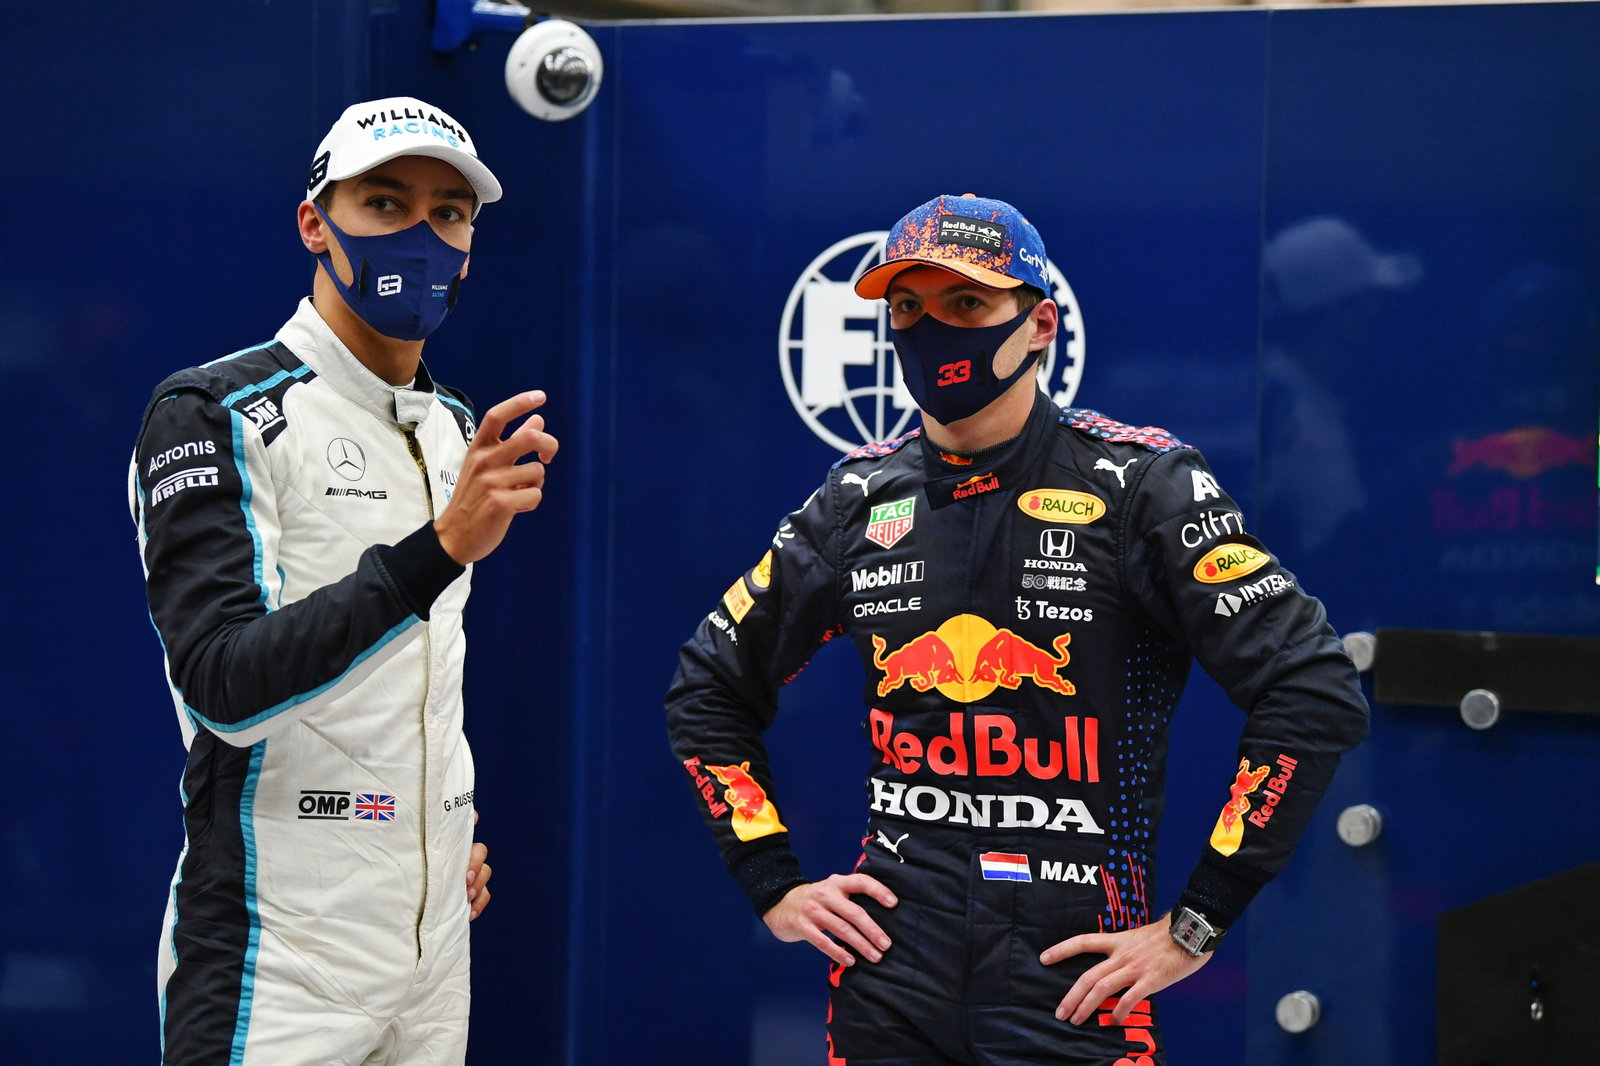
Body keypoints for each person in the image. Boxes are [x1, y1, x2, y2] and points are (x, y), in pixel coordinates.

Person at [665, 193, 1368, 1064]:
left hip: (1070, 993)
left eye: (966, 304)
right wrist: (771, 880)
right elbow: (707, 690)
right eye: (908, 309)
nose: (932, 330)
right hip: (890, 983)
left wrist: (1196, 924)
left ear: (1039, 324)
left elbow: (1314, 691)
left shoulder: (1141, 486)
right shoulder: (855, 502)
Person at [128, 96, 557, 1065]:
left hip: (434, 947)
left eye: (449, 212)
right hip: (275, 960)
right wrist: (438, 547)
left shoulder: (456, 425)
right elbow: (223, 686)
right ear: (315, 224)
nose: (422, 232)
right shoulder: (211, 413)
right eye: (385, 202)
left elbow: (416, 693)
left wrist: (428, 839)